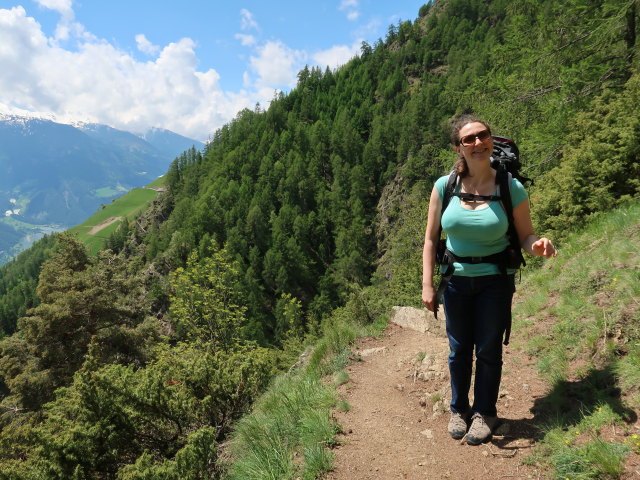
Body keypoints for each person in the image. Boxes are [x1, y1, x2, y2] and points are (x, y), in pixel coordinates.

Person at [421, 114, 557, 445]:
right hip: (454, 280)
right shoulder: (445, 186)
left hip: (495, 281)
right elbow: (430, 239)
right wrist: (427, 284)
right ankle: (458, 409)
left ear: (491, 140)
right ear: (458, 147)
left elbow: (526, 235)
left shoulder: (511, 187)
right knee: (458, 350)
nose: (478, 143)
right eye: (469, 139)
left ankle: (485, 413)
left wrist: (537, 246)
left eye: (483, 136)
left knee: (488, 348)